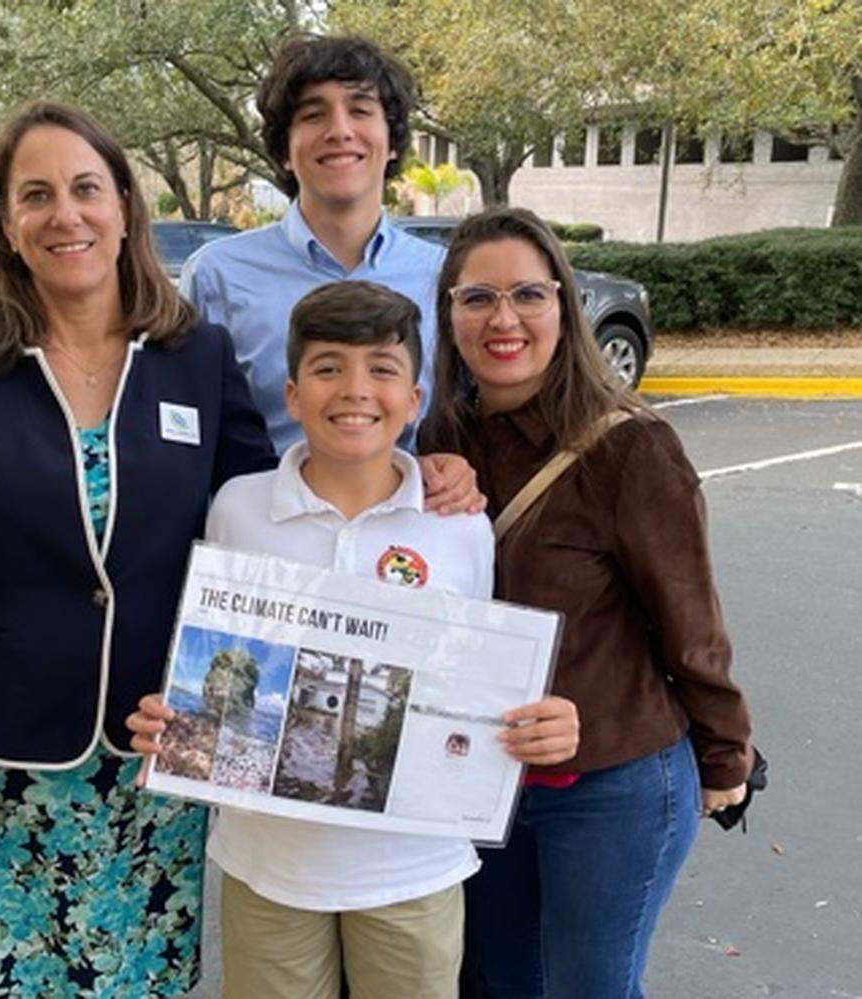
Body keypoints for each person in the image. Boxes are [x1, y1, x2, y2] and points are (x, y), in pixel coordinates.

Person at [0, 101, 275, 998]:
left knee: (147, 982)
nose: (66, 214)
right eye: (36, 195)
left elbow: (261, 528)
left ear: (125, 206)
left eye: (88, 188)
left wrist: (414, 476)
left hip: (161, 757)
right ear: (7, 225)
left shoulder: (194, 358)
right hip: (3, 769)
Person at [128, 280, 579, 999]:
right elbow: (215, 660)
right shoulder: (239, 508)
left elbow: (477, 686)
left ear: (416, 397)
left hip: (414, 868)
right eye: (328, 367)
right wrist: (178, 717)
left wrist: (537, 723)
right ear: (293, 394)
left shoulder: (459, 527)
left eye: (382, 368)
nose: (355, 389)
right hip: (268, 865)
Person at [420, 207, 755, 999]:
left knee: (588, 988)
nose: (504, 318)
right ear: (449, 315)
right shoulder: (438, 443)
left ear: (564, 307)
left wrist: (725, 755)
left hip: (612, 781)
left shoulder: (629, 447)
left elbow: (692, 625)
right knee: (502, 983)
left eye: (528, 294)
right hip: (483, 783)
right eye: (477, 298)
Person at [180, 35, 447, 458]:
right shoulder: (217, 276)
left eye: (360, 110)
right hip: (255, 518)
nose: (340, 131)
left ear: (393, 142)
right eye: (313, 115)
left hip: (407, 517)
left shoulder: (443, 276)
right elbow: (187, 427)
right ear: (284, 149)